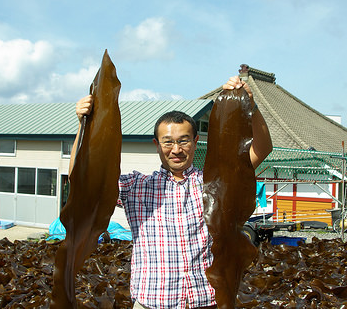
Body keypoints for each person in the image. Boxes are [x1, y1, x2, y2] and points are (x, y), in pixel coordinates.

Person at [75, 76, 273, 309]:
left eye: (184, 141)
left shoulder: (215, 183)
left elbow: (262, 148)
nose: (176, 150)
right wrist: (84, 125)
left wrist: (252, 106)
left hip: (205, 301)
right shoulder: (135, 186)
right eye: (168, 142)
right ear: (157, 145)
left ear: (196, 142)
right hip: (152, 302)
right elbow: (81, 180)